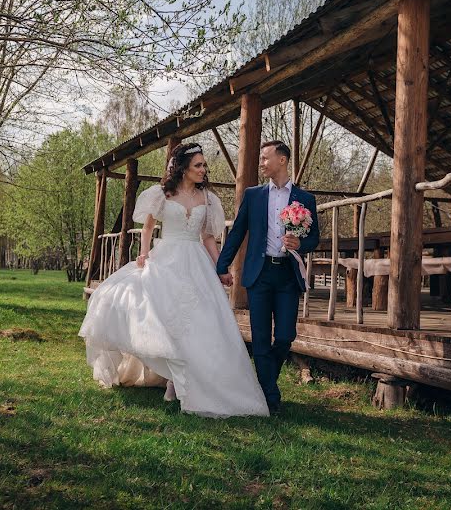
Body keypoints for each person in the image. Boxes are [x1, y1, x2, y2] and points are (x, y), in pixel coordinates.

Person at [78, 142, 269, 417]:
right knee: (164, 316)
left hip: (196, 262)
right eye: (198, 165)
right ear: (183, 168)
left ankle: (179, 382)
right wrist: (143, 255)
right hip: (166, 257)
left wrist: (221, 268)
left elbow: (207, 238)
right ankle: (172, 377)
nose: (204, 170)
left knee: (197, 321)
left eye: (204, 165)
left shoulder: (208, 199)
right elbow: (147, 229)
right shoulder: (161, 194)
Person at [216, 140, 320, 415]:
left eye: (265, 158)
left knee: (286, 335)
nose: (261, 163)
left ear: (282, 160)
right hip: (259, 275)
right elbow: (238, 232)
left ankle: (262, 382)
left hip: (287, 275)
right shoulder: (253, 195)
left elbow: (315, 238)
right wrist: (221, 265)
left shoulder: (305, 199)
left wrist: (301, 244)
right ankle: (270, 398)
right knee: (260, 338)